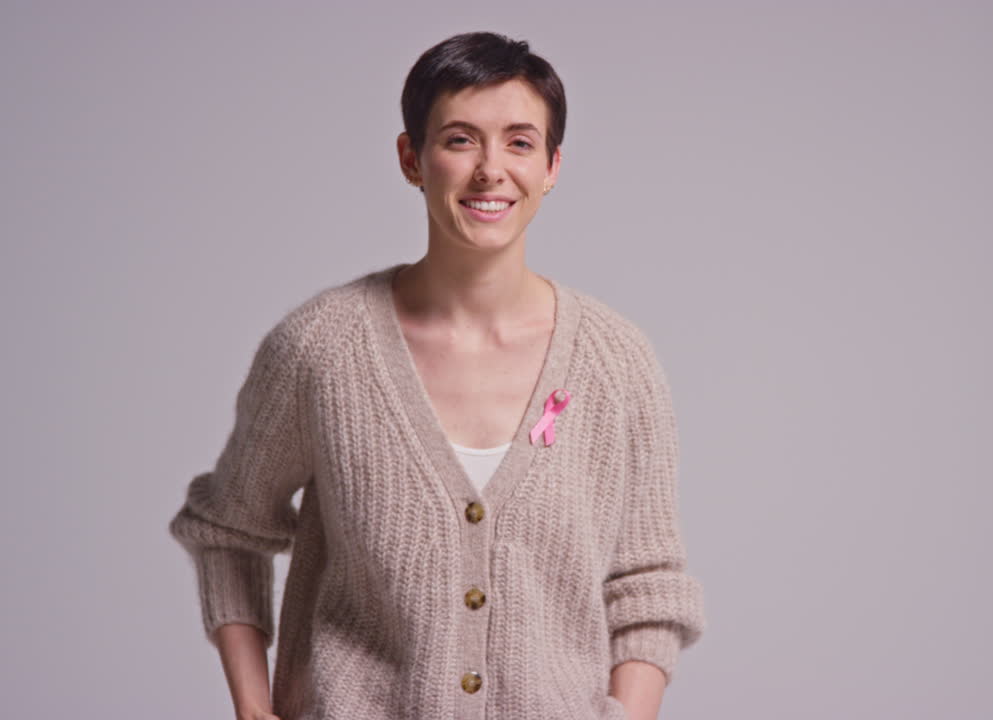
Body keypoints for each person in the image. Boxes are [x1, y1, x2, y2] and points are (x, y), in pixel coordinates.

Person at [168, 31, 706, 720]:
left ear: (552, 166)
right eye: (459, 140)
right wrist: (253, 709)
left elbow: (648, 581)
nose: (490, 170)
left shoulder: (617, 362)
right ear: (411, 159)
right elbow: (227, 530)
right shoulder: (320, 350)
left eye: (519, 142)